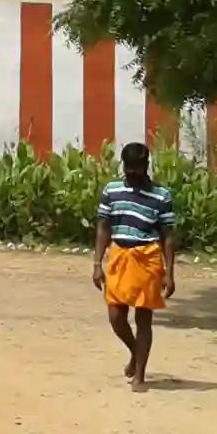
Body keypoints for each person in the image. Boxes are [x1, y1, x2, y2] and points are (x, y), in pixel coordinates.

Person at [94, 142, 177, 392]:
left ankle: (140, 375)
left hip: (148, 258)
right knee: (116, 317)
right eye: (129, 168)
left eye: (138, 168)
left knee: (143, 318)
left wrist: (169, 273)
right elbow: (104, 227)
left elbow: (168, 235)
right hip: (119, 255)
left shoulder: (161, 196)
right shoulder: (112, 190)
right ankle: (134, 351)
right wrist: (98, 263)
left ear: (146, 166)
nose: (133, 174)